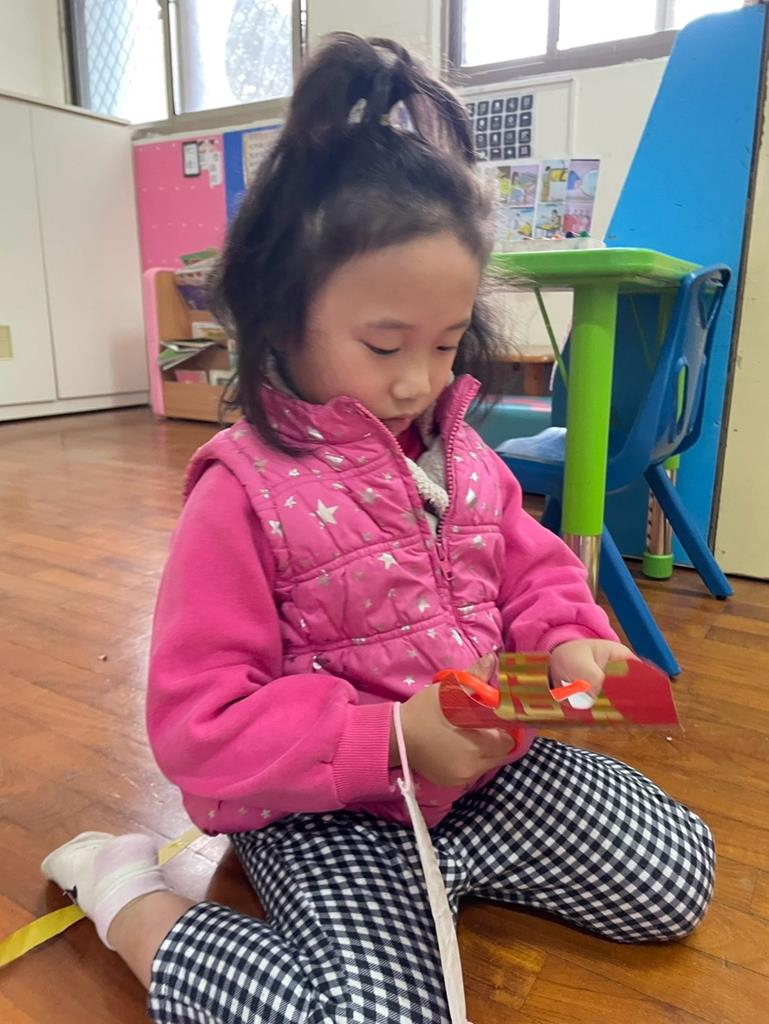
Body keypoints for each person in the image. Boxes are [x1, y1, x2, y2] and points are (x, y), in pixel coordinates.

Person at [41, 34, 715, 1024]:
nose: (419, 382)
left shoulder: (463, 454)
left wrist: (572, 640)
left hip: (480, 775)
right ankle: (129, 900)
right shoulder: (241, 494)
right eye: (384, 345)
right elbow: (198, 726)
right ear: (280, 319)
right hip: (326, 808)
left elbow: (532, 575)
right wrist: (392, 738)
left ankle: (435, 884)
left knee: (673, 875)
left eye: (445, 344)